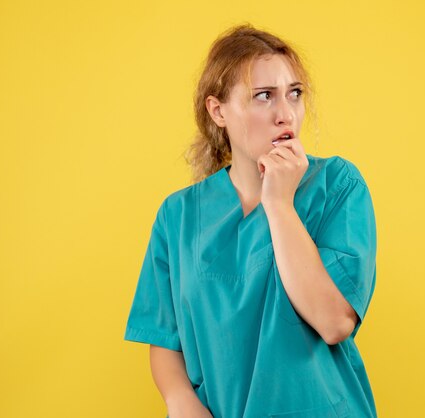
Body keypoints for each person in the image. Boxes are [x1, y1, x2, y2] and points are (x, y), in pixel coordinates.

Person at [124, 23, 379, 418]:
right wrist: (180, 402)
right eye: (264, 96)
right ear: (218, 110)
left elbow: (334, 321)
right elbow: (163, 339)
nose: (285, 114)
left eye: (294, 94)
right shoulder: (178, 216)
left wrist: (278, 202)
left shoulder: (337, 187)